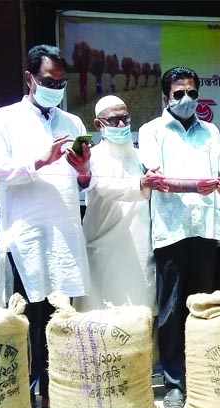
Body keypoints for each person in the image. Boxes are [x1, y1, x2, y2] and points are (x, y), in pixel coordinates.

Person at [0, 44, 92, 408]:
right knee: (29, 316)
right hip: (26, 233)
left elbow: (83, 183)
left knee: (60, 315)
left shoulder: (72, 121)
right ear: (29, 78)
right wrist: (40, 161)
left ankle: (57, 392)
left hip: (64, 228)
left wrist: (82, 171)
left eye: (62, 82)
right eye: (49, 81)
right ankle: (29, 395)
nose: (56, 87)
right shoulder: (5, 118)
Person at [138, 66, 220, 408]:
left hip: (205, 228)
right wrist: (197, 184)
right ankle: (174, 382)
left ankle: (201, 377)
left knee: (202, 306)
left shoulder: (209, 129)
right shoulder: (151, 131)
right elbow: (156, 177)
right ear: (166, 97)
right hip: (171, 229)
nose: (186, 99)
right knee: (170, 310)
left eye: (192, 92)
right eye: (179, 93)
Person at [75, 95, 164, 311]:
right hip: (103, 244)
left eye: (125, 118)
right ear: (98, 124)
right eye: (114, 120)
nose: (122, 124)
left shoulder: (142, 156)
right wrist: (140, 184)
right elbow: (106, 187)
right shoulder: (91, 158)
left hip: (138, 246)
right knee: (99, 316)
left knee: (140, 312)